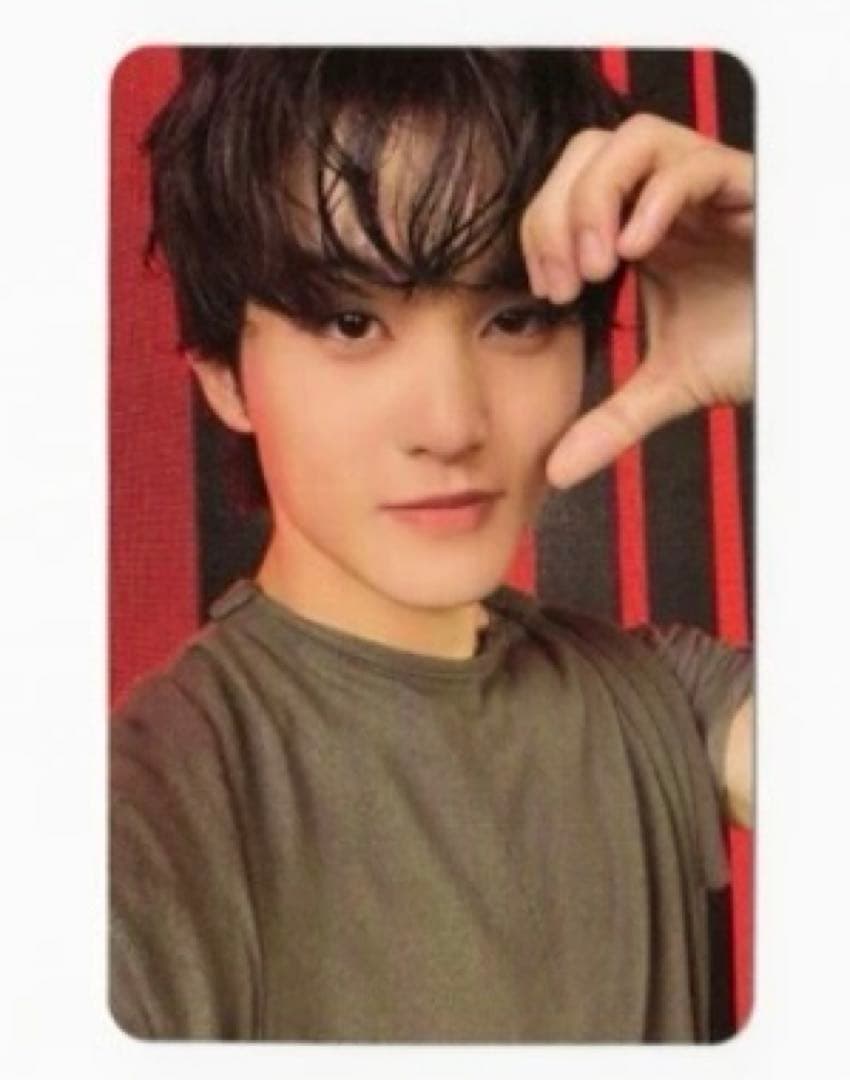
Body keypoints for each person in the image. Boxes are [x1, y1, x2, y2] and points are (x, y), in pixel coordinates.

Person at [110, 47, 754, 1042]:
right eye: (351, 323)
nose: (451, 424)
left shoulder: (661, 695)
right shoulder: (148, 807)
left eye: (516, 317)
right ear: (225, 375)